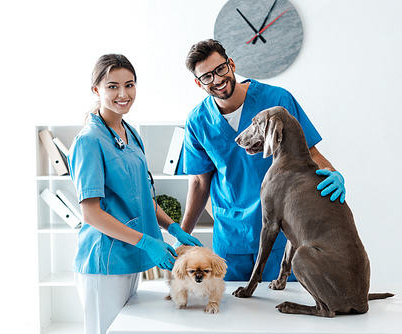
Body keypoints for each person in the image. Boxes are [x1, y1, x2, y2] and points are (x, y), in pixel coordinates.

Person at [180, 39, 346, 282]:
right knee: (232, 314)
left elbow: (310, 153)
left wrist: (333, 173)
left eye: (220, 69)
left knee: (282, 310)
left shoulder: (277, 100)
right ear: (198, 82)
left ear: (231, 64)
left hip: (282, 232)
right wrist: (182, 237)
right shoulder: (197, 121)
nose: (217, 80)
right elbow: (198, 183)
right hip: (231, 239)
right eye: (207, 76)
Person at [67, 54, 202, 334]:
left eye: (129, 85)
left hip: (131, 255)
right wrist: (149, 243)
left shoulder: (130, 133)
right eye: (112, 86)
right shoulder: (89, 141)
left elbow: (142, 196)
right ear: (97, 90)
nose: (123, 94)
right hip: (105, 260)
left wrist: (174, 228)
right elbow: (90, 213)